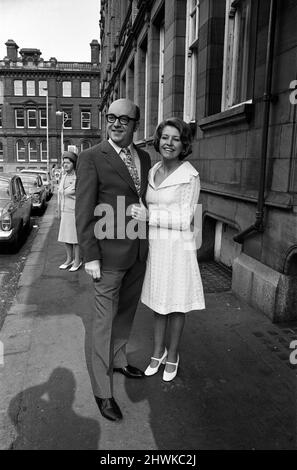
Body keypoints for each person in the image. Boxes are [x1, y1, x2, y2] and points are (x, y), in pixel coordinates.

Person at [75, 99, 151, 422]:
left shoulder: (145, 157)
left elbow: (142, 199)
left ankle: (119, 359)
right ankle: (103, 391)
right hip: (105, 257)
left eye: (124, 119)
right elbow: (84, 209)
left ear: (136, 124)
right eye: (111, 118)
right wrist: (89, 255)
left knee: (126, 314)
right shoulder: (92, 157)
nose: (117, 124)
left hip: (137, 253)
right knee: (103, 324)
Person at [132, 117, 205, 382]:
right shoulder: (152, 172)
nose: (169, 143)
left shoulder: (190, 176)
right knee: (158, 302)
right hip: (156, 247)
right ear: (158, 140)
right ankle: (157, 352)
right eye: (165, 137)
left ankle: (172, 355)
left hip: (177, 248)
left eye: (176, 139)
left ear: (183, 144)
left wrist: (149, 216)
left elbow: (185, 219)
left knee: (175, 305)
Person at [57, 151, 82, 272]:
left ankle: (77, 261)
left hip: (74, 211)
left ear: (74, 163)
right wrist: (58, 210)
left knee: (75, 238)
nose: (64, 165)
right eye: (63, 162)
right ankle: (69, 259)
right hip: (65, 211)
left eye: (67, 163)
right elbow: (60, 194)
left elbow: (82, 195)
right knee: (66, 237)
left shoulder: (79, 177)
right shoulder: (64, 176)